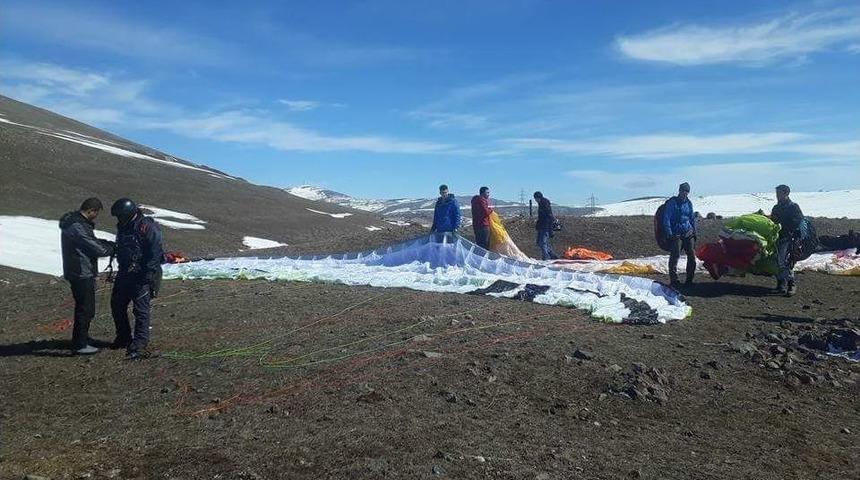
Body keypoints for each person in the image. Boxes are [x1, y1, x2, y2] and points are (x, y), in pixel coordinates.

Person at [59, 198, 116, 355]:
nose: (96, 216)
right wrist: (111, 248)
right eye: (96, 213)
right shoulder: (77, 226)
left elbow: (91, 241)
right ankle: (80, 344)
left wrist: (107, 244)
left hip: (78, 270)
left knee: (85, 307)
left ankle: (82, 338)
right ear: (91, 210)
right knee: (85, 308)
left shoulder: (75, 223)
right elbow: (95, 247)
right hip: (81, 272)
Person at [110, 198, 164, 360]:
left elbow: (156, 251)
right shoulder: (123, 226)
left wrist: (149, 273)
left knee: (140, 309)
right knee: (117, 304)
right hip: (125, 272)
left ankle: (140, 342)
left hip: (143, 273)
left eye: (120, 215)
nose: (119, 219)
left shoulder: (146, 226)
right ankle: (123, 337)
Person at [771, 184, 804, 296]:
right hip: (777, 237)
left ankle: (791, 284)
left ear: (786, 193)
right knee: (777, 260)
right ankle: (781, 283)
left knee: (785, 261)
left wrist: (782, 223)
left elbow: (798, 221)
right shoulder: (776, 207)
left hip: (789, 238)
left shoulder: (793, 207)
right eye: (777, 193)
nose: (777, 196)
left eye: (779, 193)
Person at [662, 182, 696, 287]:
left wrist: (694, 231)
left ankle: (689, 280)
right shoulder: (672, 203)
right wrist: (669, 233)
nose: (684, 193)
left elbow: (691, 218)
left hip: (688, 232)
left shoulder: (688, 203)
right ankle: (674, 280)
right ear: (679, 191)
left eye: (686, 191)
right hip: (676, 234)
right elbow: (666, 218)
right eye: (683, 191)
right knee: (675, 256)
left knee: (692, 256)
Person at [533, 191, 557, 260]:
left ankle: (546, 258)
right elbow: (541, 217)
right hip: (541, 226)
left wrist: (551, 229)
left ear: (539, 197)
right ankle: (552, 255)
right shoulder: (540, 204)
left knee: (542, 242)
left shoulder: (545, 204)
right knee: (539, 242)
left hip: (545, 226)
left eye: (536, 198)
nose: (535, 200)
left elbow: (549, 216)